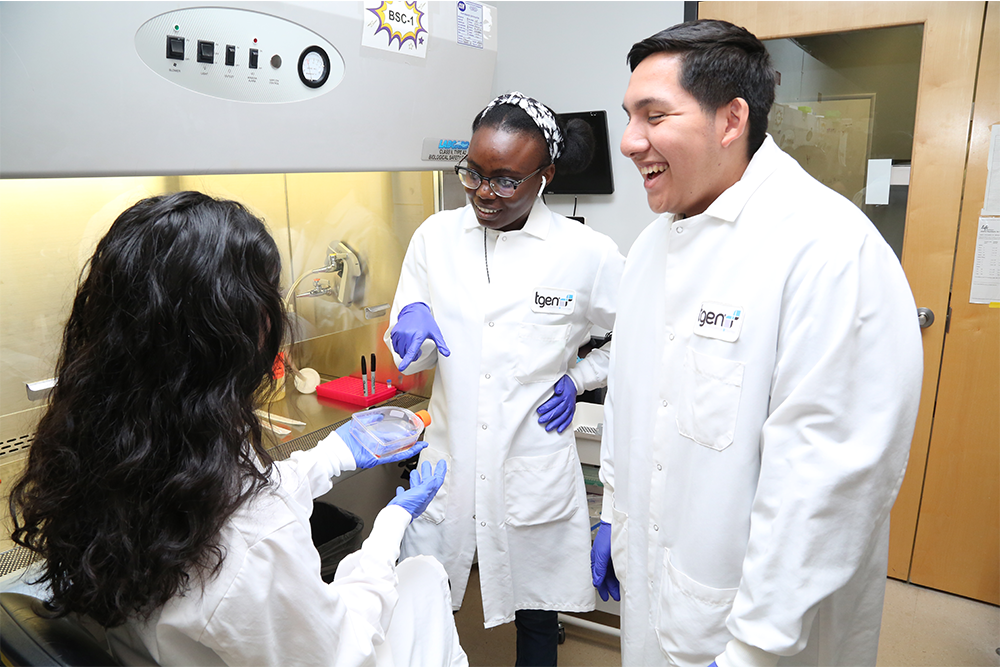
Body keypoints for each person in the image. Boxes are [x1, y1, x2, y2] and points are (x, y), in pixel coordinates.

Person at [7, 191, 467, 667]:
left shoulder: (103, 448)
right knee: (423, 577)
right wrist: (390, 527)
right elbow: (344, 654)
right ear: (236, 334)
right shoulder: (254, 542)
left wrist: (335, 453)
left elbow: (227, 498)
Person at [590, 20, 923, 667]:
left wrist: (755, 646)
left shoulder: (827, 251)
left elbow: (827, 488)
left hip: (759, 631)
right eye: (630, 116)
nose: (630, 141)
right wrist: (613, 510)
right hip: (659, 589)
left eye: (654, 116)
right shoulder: (652, 246)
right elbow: (634, 399)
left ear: (731, 119)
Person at [384, 92, 626, 666]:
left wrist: (581, 376)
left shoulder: (586, 253)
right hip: (448, 460)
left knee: (536, 611)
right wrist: (408, 332)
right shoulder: (435, 238)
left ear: (543, 177)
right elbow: (413, 358)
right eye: (473, 173)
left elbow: (643, 340)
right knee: (419, 605)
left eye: (505, 180)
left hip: (530, 459)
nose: (483, 193)